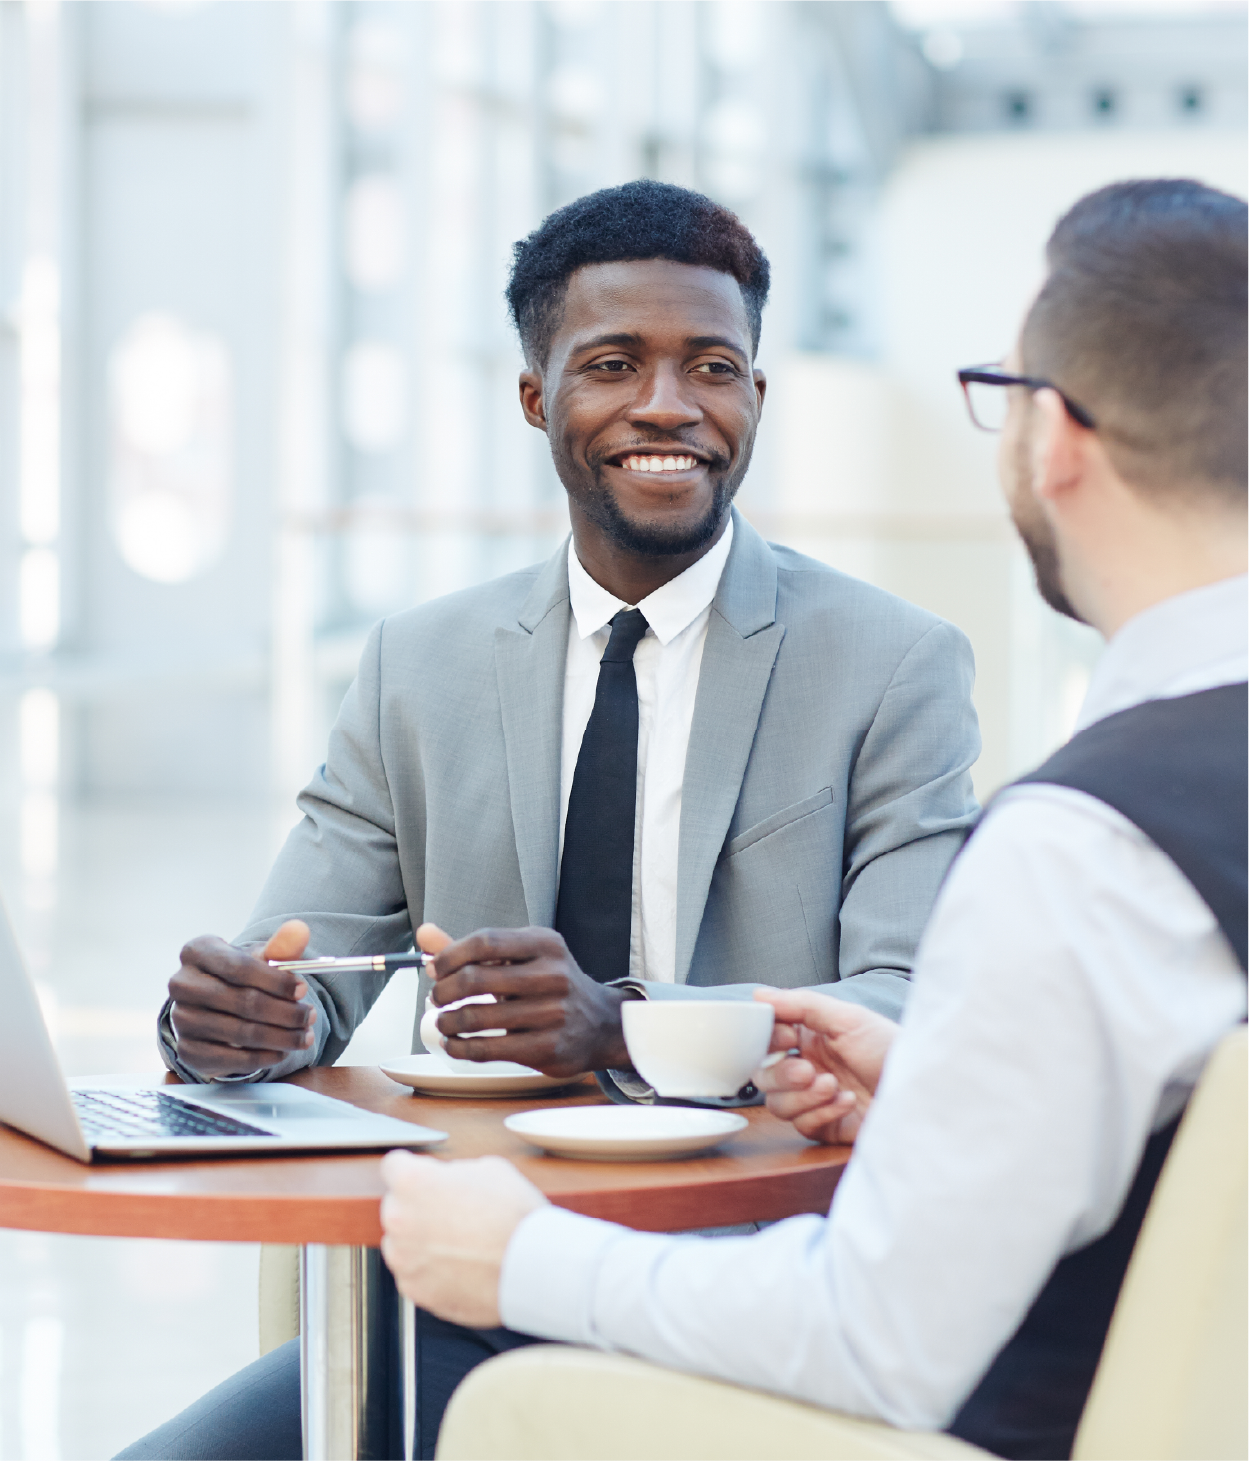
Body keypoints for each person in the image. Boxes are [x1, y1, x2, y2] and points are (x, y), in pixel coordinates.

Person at [377, 177, 1249, 1461]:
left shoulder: (1086, 843)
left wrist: (519, 1254)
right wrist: (935, 1098)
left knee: (427, 1380)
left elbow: (877, 1340)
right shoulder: (1161, 819)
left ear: (1055, 436)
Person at [118, 181, 978, 1460]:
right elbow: (307, 966)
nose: (668, 405)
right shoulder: (421, 664)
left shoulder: (892, 664)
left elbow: (914, 1005)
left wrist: (627, 1019)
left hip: (756, 1285)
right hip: (462, 1275)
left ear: (754, 396)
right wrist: (238, 1022)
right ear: (536, 398)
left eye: (713, 367)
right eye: (614, 364)